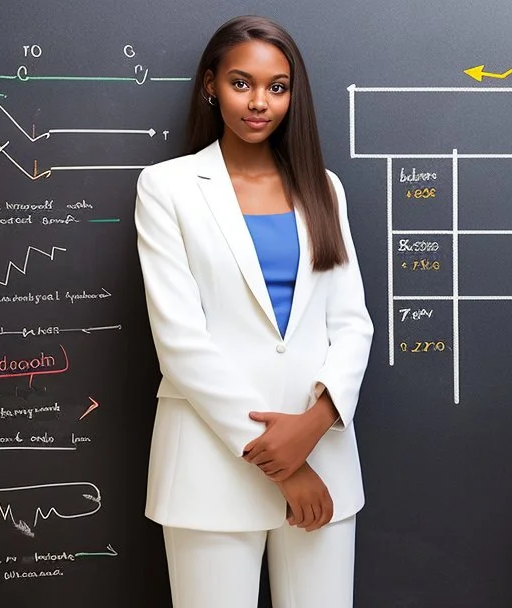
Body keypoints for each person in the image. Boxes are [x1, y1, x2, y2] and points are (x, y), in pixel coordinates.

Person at [134, 15, 373, 608]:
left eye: (277, 86)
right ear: (210, 84)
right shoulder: (167, 188)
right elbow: (181, 343)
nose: (259, 102)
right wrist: (284, 464)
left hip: (325, 458)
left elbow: (351, 323)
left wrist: (314, 425)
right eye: (242, 83)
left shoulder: (324, 187)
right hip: (211, 467)